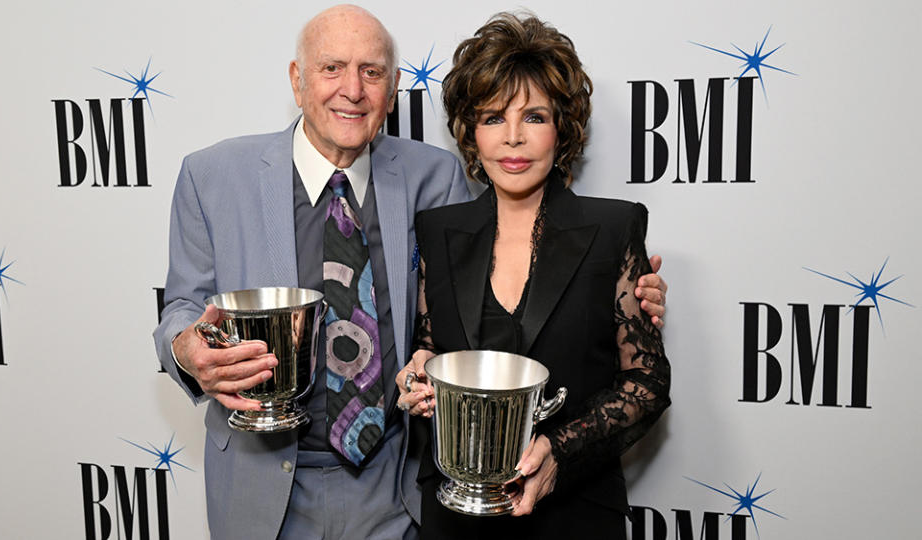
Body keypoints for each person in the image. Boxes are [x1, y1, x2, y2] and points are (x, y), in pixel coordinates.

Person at [153, 5, 667, 539]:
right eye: (332, 68)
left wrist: (627, 294)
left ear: (393, 88)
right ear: (297, 79)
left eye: (372, 72)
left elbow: (470, 313)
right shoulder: (212, 176)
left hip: (397, 491)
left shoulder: (433, 177)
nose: (352, 90)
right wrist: (189, 350)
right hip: (264, 482)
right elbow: (182, 309)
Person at [395, 13, 671, 539]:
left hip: (574, 514)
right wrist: (416, 378)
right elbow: (429, 347)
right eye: (494, 118)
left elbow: (647, 383)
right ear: (471, 133)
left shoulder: (613, 228)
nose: (513, 139)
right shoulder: (437, 230)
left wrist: (558, 453)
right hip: (455, 516)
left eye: (536, 117)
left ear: (562, 128)